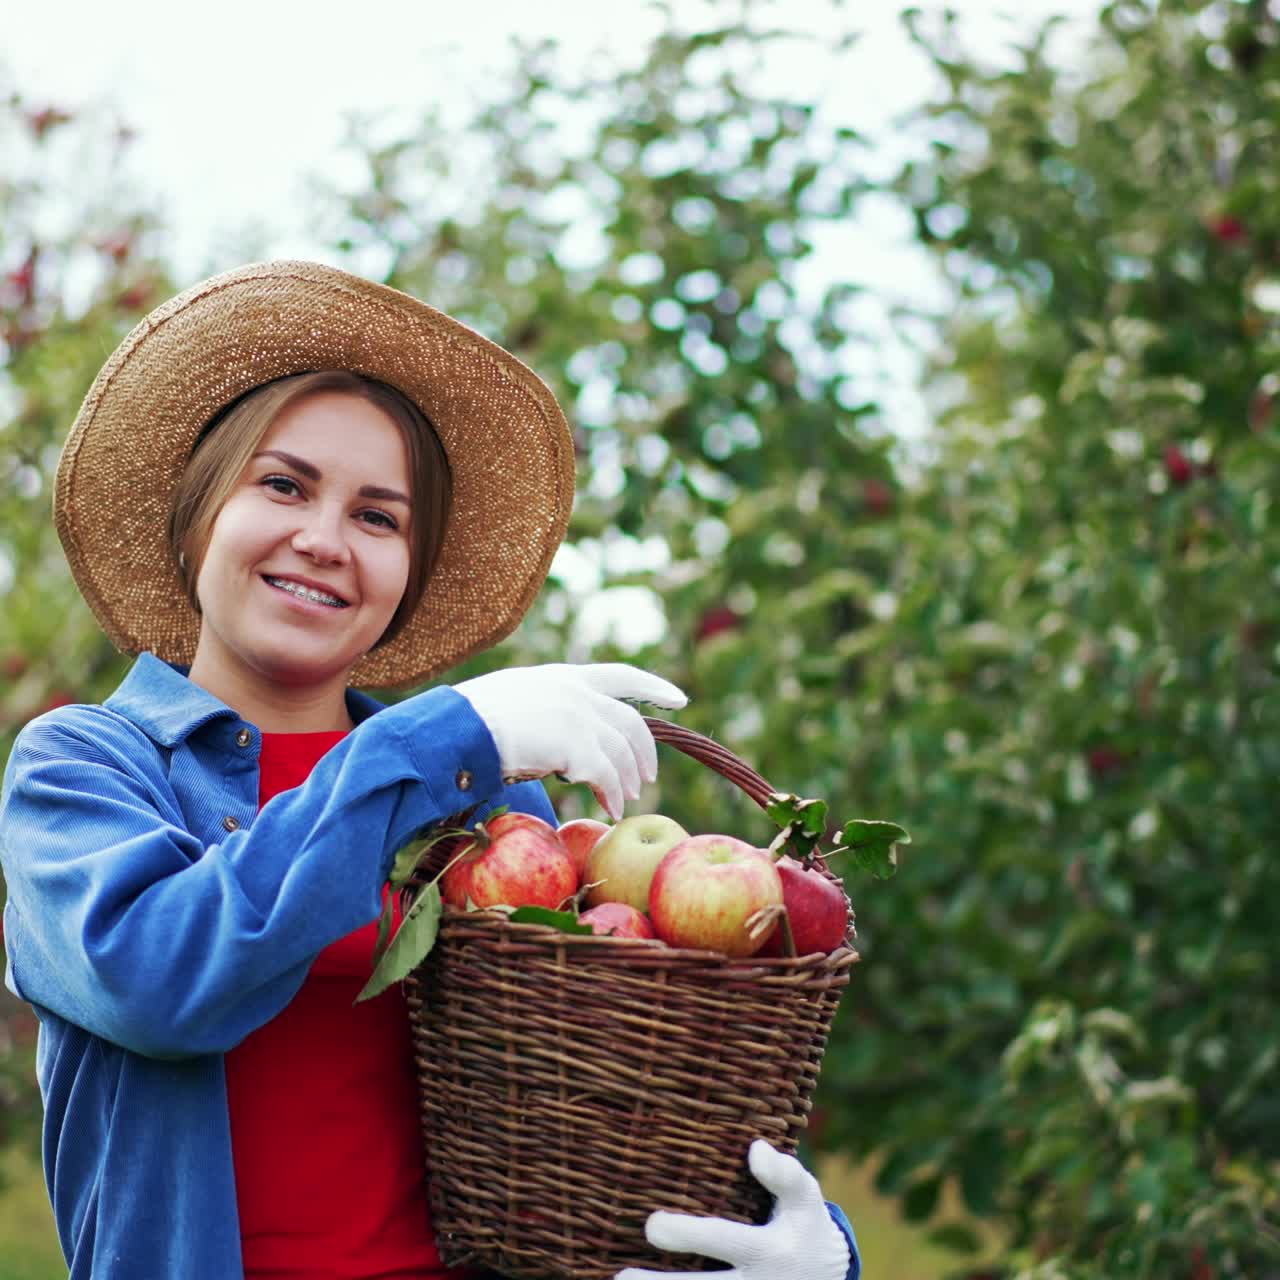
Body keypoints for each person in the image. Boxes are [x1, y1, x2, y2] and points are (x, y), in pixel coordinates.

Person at [0, 260, 860, 1280]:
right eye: (282, 484)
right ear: (198, 520)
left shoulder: (490, 804)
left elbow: (622, 1080)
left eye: (378, 515)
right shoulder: (85, 768)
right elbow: (155, 978)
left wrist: (808, 1249)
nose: (323, 539)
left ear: (405, 574)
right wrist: (445, 734)